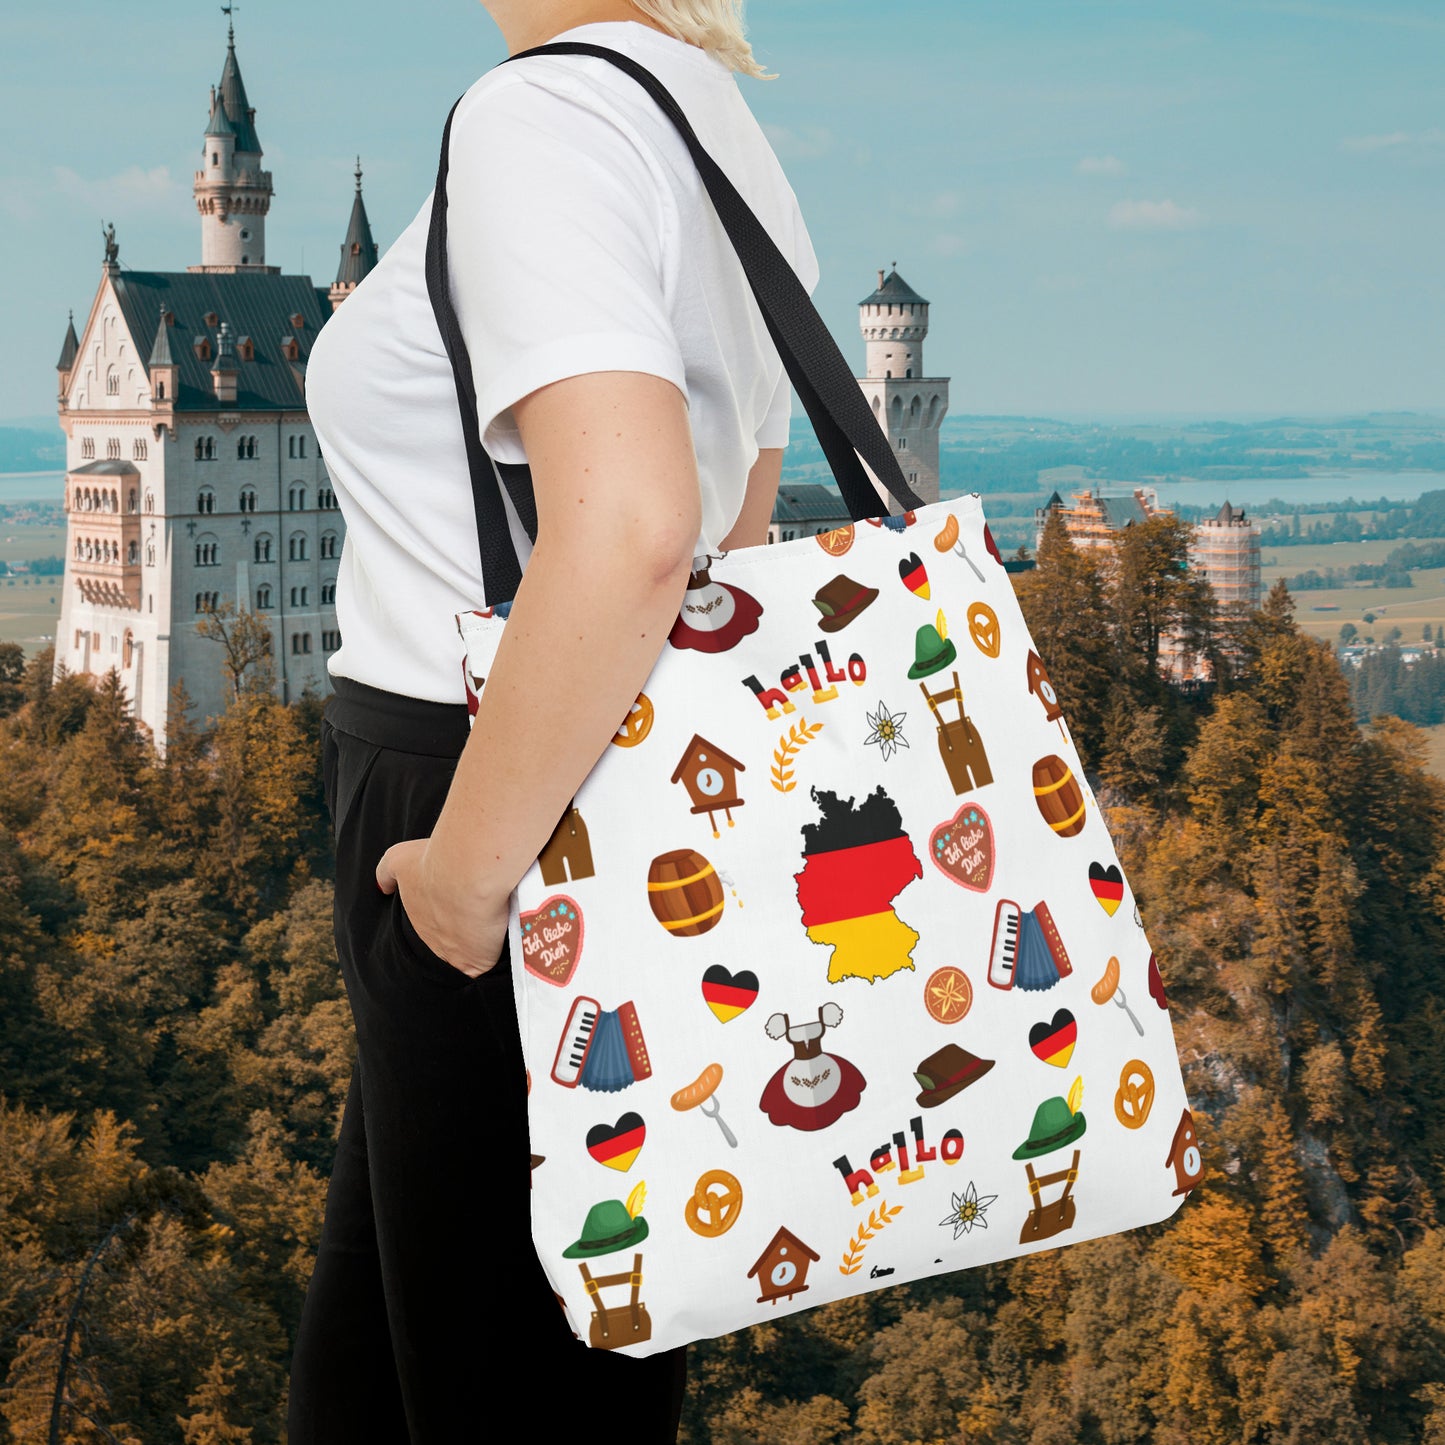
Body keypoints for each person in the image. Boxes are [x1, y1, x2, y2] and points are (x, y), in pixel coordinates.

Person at [287, 1, 818, 1439]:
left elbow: (642, 529)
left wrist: (463, 884)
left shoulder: (539, 118)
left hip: (484, 803)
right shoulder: (710, 124)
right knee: (393, 1389)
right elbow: (735, 536)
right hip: (606, 785)